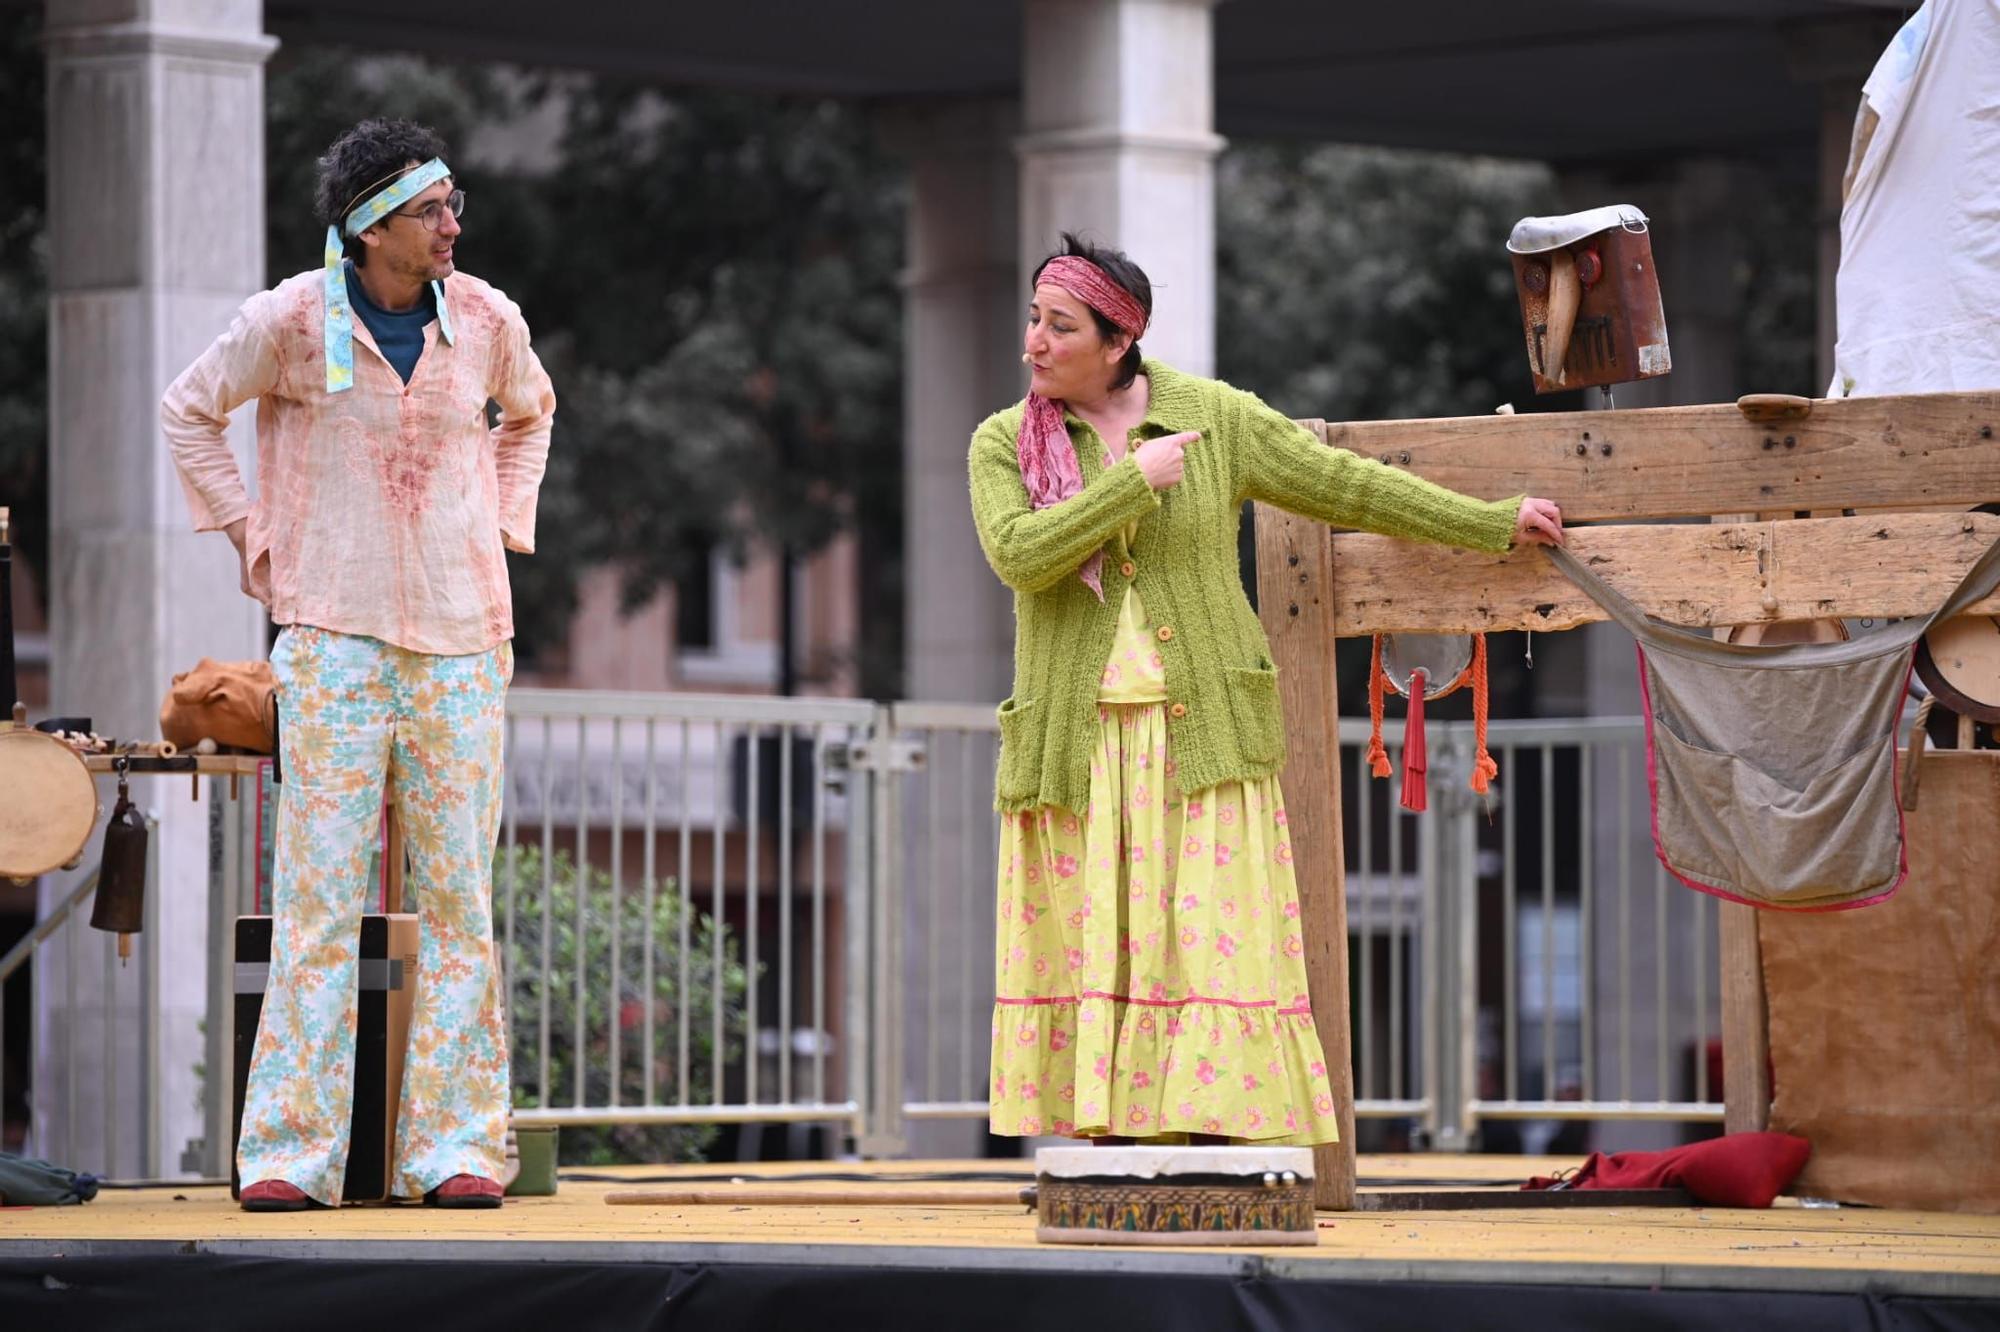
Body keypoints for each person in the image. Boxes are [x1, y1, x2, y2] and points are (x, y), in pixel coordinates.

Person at [970, 234, 1562, 1146]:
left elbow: (1342, 486)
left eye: (1059, 326)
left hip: (1201, 732)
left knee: (1205, 941)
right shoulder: (1004, 442)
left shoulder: (1213, 420)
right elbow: (1020, 557)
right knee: (1103, 946)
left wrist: (1488, 525)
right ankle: (1108, 1149)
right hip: (1076, 744)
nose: (1034, 343)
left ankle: (1206, 1143)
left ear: (1119, 339)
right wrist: (1130, 484)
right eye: (1034, 321)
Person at [162, 118, 555, 1209]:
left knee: (460, 900)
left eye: (451, 205)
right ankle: (289, 1155)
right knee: (316, 900)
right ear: (373, 222)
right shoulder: (288, 318)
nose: (452, 225)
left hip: (464, 639)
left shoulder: (486, 320)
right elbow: (187, 411)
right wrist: (251, 535)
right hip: (329, 639)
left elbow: (532, 415)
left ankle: (459, 1149)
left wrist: (499, 525)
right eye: (432, 209)